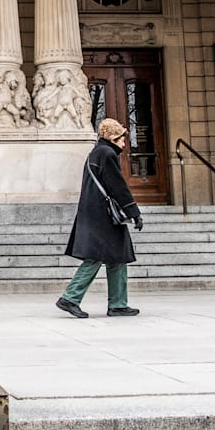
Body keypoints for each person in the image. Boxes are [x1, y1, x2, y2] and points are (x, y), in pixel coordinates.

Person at [56, 117, 144, 318]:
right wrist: (134, 212)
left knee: (117, 257)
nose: (124, 143)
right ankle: (70, 298)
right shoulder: (107, 154)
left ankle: (118, 304)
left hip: (95, 214)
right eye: (122, 138)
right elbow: (117, 186)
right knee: (96, 257)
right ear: (113, 138)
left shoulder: (96, 153)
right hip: (103, 217)